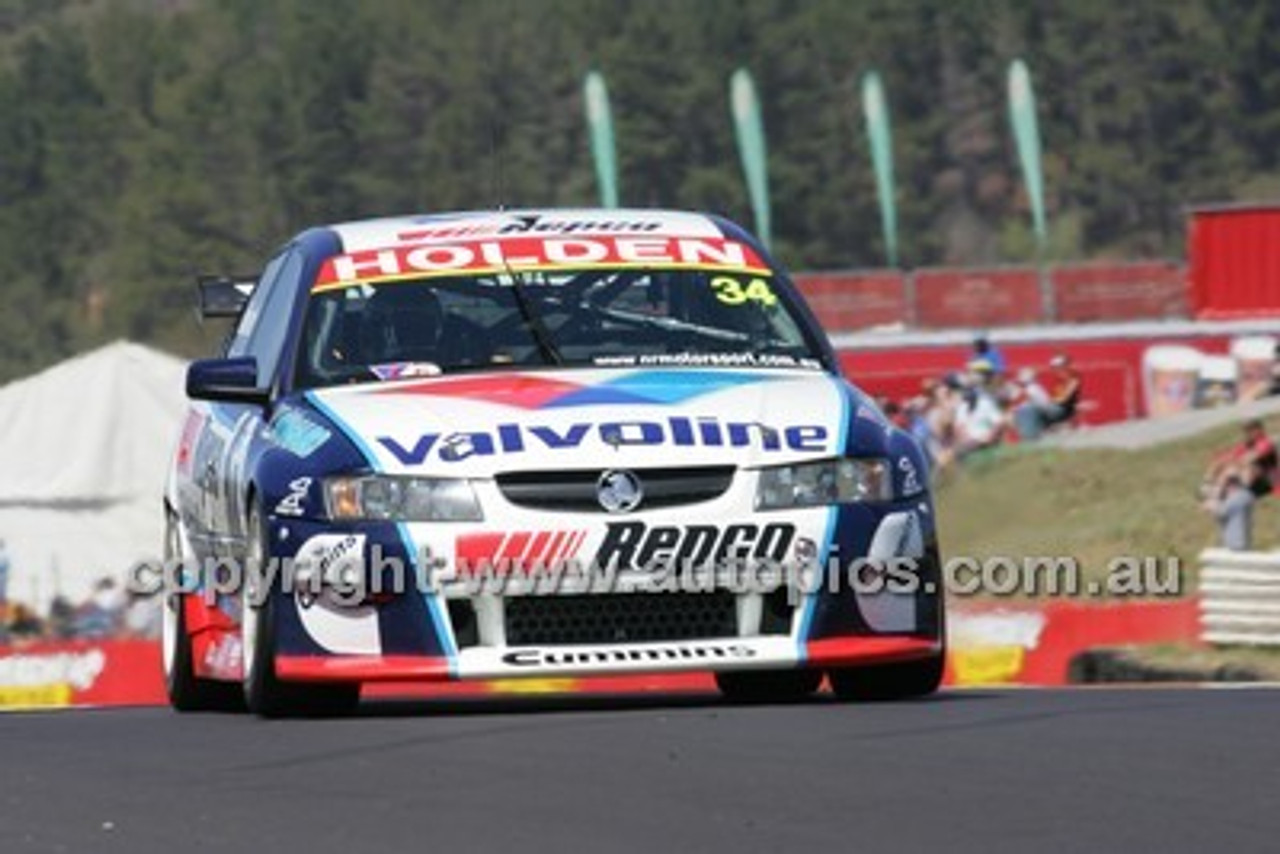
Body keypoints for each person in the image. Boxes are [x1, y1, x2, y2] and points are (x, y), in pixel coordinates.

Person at [1204, 418, 1277, 500]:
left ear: (1260, 429)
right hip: (1252, 477)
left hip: (1268, 479)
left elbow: (1249, 459)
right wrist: (1220, 460)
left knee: (1240, 469)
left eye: (1251, 429)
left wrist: (1232, 462)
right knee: (1223, 465)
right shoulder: (1247, 444)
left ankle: (1235, 494)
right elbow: (1232, 455)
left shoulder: (1266, 443)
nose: (1248, 433)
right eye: (1246, 430)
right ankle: (1209, 488)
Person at [1204, 472, 1255, 551]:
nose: (1222, 489)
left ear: (1231, 485)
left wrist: (1213, 501)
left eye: (1223, 486)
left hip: (1237, 545)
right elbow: (1220, 516)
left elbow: (1221, 511)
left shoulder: (1239, 497)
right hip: (1234, 543)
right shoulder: (1242, 496)